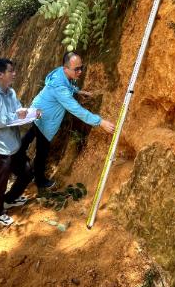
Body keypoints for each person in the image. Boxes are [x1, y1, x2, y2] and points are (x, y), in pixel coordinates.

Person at [22, 51, 115, 191]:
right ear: (66, 68)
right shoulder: (60, 89)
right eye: (76, 69)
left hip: (38, 109)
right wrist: (100, 122)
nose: (80, 72)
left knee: (30, 135)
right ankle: (39, 180)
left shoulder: (61, 73)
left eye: (81, 67)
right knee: (43, 150)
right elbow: (76, 109)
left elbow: (67, 84)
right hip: (44, 117)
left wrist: (78, 91)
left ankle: (17, 155)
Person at [0, 58, 38, 226]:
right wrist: (14, 117)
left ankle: (10, 199)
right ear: (0, 74)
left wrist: (31, 113)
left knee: (27, 172)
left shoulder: (10, 92)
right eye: (11, 71)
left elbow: (19, 109)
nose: (14, 74)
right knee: (0, 181)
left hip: (14, 144)